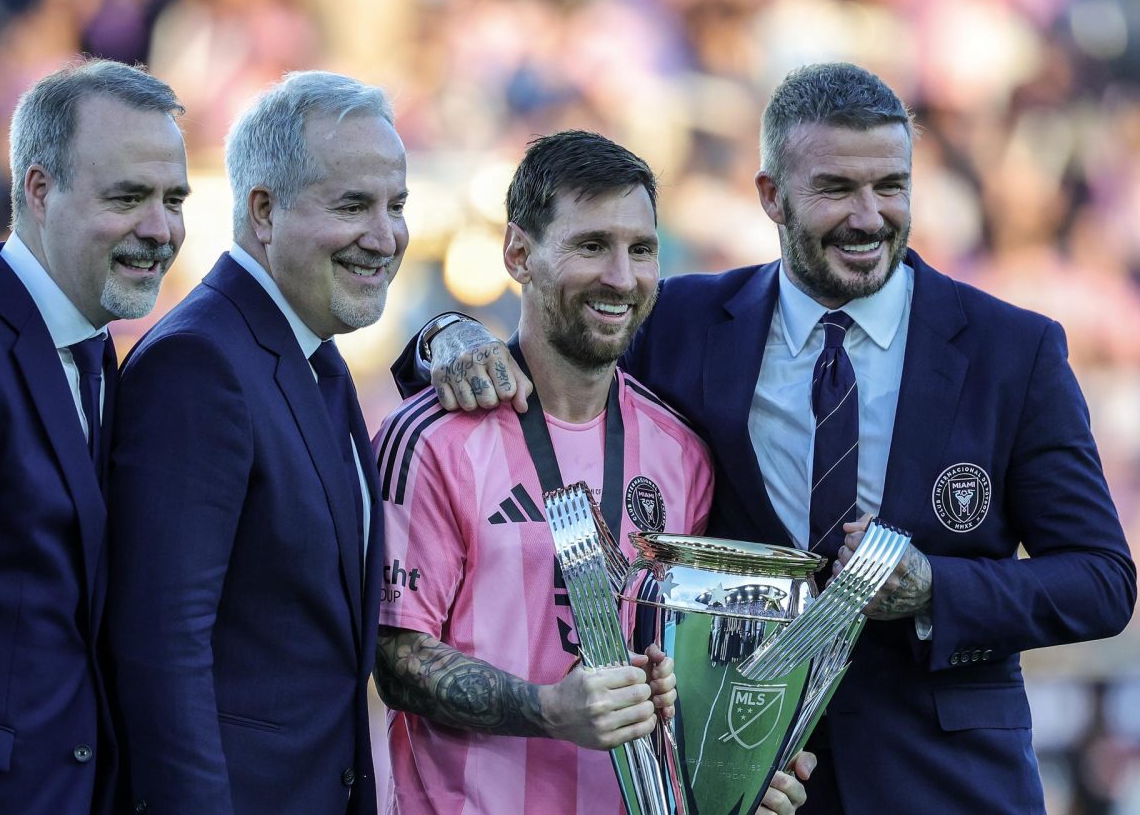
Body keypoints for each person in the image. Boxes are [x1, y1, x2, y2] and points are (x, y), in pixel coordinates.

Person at [396, 63, 1137, 814]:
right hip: (743, 779)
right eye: (836, 189)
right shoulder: (682, 324)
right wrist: (444, 335)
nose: (869, 215)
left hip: (945, 781)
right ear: (771, 196)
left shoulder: (1012, 351)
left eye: (890, 185)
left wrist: (934, 589)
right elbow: (570, 333)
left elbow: (1103, 581)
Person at [375, 129, 811, 815]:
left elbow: (682, 674)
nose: (621, 275)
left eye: (640, 249)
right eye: (590, 245)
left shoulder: (683, 452)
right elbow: (396, 656)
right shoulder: (430, 438)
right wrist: (548, 709)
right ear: (519, 253)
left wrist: (737, 774)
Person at [107, 71, 403, 815]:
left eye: (396, 205)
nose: (385, 235)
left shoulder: (315, 355)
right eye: (353, 205)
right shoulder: (199, 364)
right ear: (263, 211)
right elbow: (161, 654)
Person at [0, 59, 187, 815]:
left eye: (174, 198)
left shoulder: (96, 351)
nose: (161, 227)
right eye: (128, 196)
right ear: (39, 191)